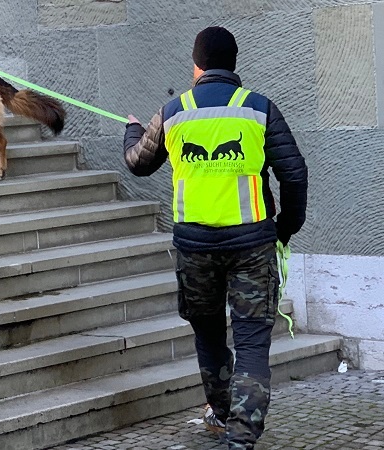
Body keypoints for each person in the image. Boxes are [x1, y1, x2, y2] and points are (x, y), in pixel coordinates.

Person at [122, 27, 308, 449]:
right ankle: (241, 437)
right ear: (234, 64)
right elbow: (294, 173)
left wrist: (133, 131)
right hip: (252, 247)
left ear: (197, 65)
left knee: (207, 333)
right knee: (253, 342)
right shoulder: (259, 109)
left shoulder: (173, 111)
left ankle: (221, 413)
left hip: (195, 250)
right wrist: (286, 227)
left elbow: (137, 163)